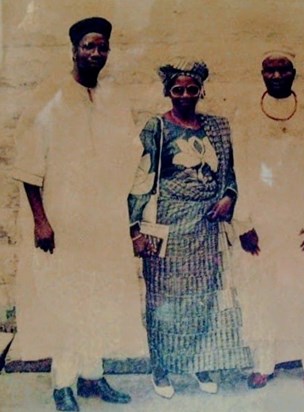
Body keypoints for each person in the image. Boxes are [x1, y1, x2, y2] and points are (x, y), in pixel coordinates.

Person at [12, 17, 147, 411]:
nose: (96, 53)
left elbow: (130, 155)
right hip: (62, 222)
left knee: (100, 296)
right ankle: (63, 383)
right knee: (67, 299)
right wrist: (41, 220)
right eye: (88, 46)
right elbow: (28, 164)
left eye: (102, 46)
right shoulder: (48, 97)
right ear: (73, 49)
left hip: (103, 221)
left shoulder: (113, 98)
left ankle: (93, 375)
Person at [128, 59, 252, 399]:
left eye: (191, 89)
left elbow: (231, 176)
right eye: (177, 89)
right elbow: (139, 180)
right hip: (165, 225)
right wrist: (136, 230)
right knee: (164, 300)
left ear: (201, 90)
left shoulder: (217, 128)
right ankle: (162, 368)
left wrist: (229, 197)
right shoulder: (157, 129)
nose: (184, 95)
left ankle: (201, 362)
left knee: (203, 297)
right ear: (168, 92)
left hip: (206, 225)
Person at [233, 50, 304, 391]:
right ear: (262, 73)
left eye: (283, 70)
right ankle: (264, 363)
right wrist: (243, 223)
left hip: (302, 225)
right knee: (263, 293)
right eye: (270, 70)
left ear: (294, 72)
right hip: (262, 224)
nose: (276, 76)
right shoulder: (246, 117)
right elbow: (239, 173)